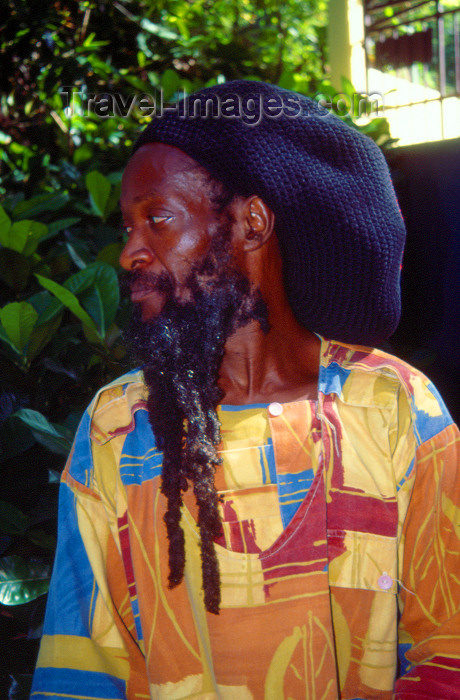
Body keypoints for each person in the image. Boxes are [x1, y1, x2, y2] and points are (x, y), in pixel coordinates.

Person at [31, 81, 460, 699]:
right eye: (127, 226)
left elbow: (449, 647)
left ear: (251, 224)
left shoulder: (394, 408)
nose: (128, 253)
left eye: (158, 218)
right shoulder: (121, 425)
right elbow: (79, 669)